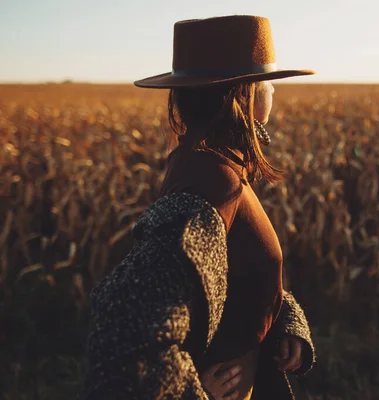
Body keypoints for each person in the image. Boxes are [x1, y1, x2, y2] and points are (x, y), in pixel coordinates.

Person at [80, 15, 316, 400]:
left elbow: (226, 275)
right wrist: (192, 394)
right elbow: (126, 329)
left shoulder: (212, 161)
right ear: (245, 92)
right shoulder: (209, 184)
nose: (273, 89)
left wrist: (283, 322)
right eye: (267, 79)